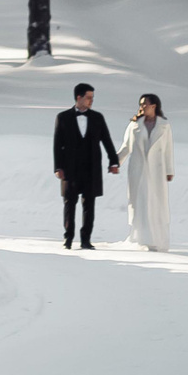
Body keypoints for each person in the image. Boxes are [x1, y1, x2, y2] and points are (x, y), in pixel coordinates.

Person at [51, 82, 118, 249]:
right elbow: (57, 144)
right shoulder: (63, 117)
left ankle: (86, 239)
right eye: (88, 97)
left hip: (91, 168)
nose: (91, 101)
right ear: (78, 97)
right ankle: (68, 237)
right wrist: (58, 167)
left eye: (92, 98)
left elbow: (107, 140)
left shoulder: (97, 117)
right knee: (69, 203)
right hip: (70, 168)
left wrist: (113, 161)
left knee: (89, 204)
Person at [119, 91, 175, 250]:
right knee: (140, 202)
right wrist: (116, 162)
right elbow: (126, 146)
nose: (142, 107)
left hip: (157, 170)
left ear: (154, 106)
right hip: (138, 169)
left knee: (156, 202)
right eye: (141, 104)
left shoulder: (164, 125)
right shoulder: (134, 124)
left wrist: (169, 170)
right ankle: (140, 239)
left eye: (145, 104)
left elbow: (168, 149)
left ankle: (156, 239)